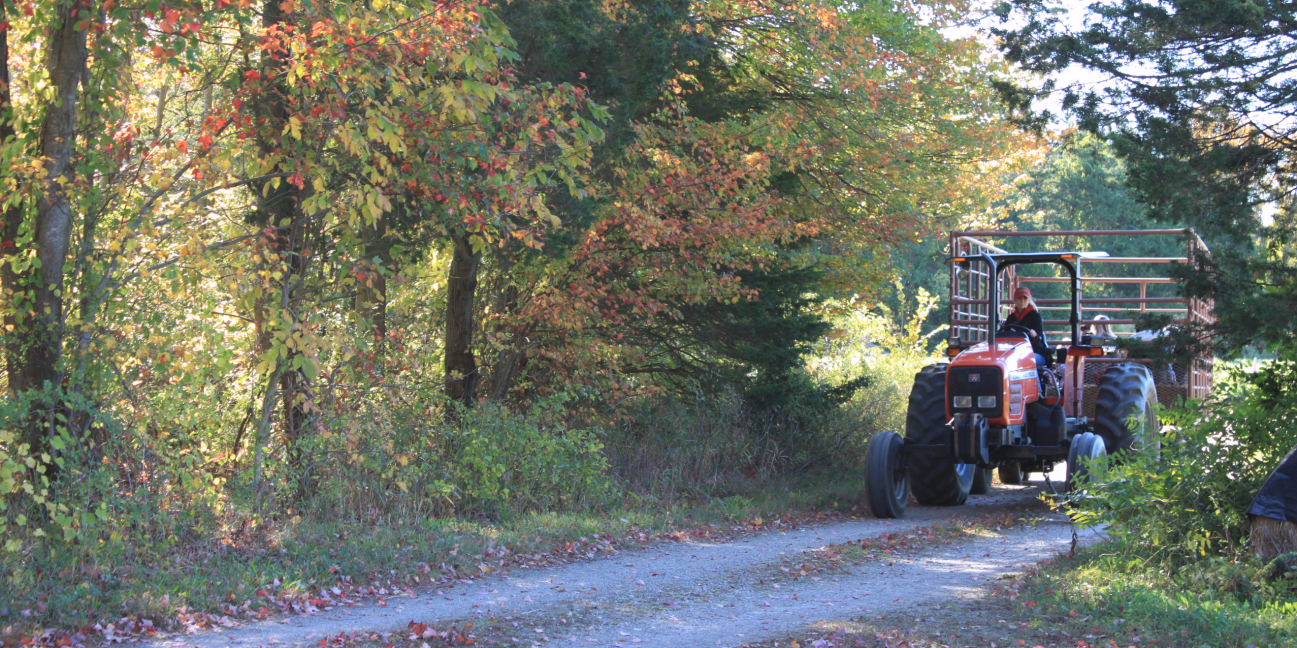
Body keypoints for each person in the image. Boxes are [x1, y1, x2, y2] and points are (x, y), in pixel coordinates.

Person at [1003, 286, 1050, 370]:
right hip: (1015, 352)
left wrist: (1034, 335)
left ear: (1029, 300)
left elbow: (1038, 337)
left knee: (1022, 360)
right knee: (1006, 361)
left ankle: (1036, 383)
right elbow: (1005, 336)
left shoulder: (1036, 316)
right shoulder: (1011, 318)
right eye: (1019, 298)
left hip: (1034, 351)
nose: (1022, 301)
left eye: (1025, 298)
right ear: (1015, 300)